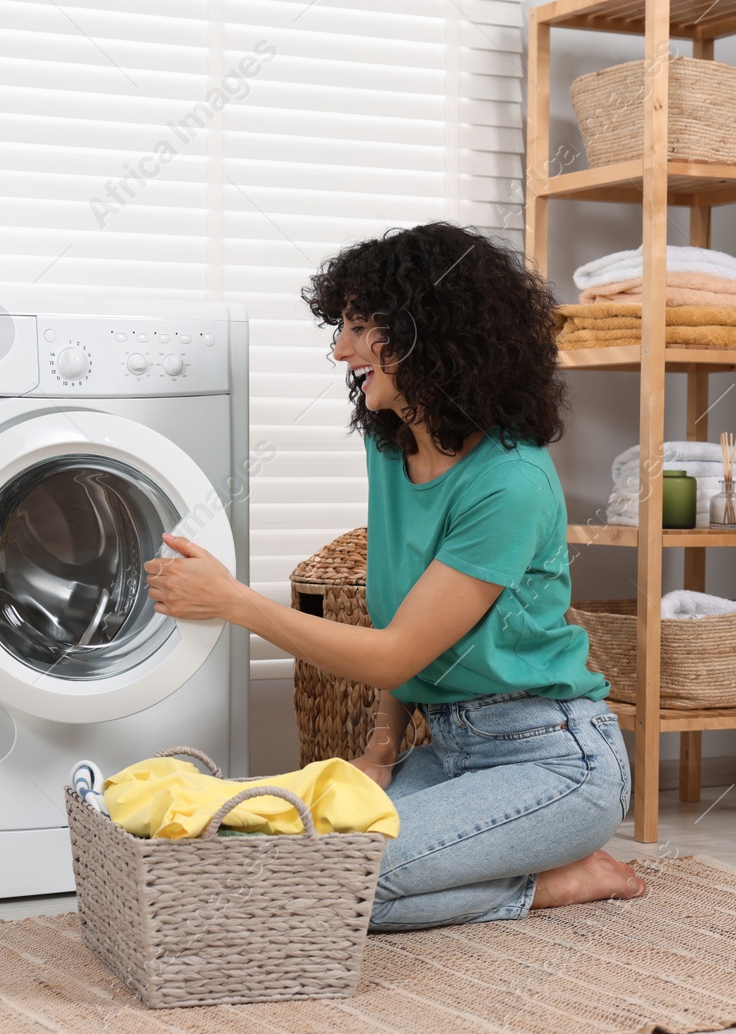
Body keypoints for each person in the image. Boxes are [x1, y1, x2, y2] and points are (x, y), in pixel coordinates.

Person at [143, 221, 646, 930]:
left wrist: (233, 601)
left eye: (357, 325)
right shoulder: (394, 450)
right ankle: (518, 865)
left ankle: (552, 881)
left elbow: (396, 651)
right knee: (272, 863)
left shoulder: (511, 481)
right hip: (449, 749)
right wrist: (383, 745)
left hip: (556, 763)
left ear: (428, 330)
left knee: (325, 892)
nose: (341, 349)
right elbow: (404, 625)